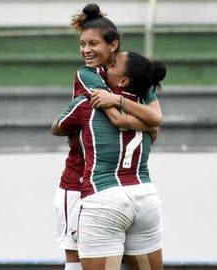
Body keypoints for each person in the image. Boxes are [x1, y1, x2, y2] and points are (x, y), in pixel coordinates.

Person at [54, 4, 162, 270]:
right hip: (80, 178)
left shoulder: (132, 72)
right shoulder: (89, 74)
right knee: (75, 259)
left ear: (113, 45)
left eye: (93, 43)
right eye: (82, 43)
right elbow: (147, 122)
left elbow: (154, 120)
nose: (86, 50)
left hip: (102, 189)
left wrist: (118, 104)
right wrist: (142, 124)